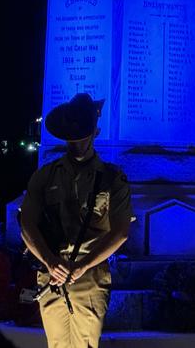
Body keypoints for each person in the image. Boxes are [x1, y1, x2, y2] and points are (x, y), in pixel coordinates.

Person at [20, 93, 133, 348]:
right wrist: (49, 261)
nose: (77, 143)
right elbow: (26, 224)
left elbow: (121, 232)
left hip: (89, 275)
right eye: (72, 135)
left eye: (83, 135)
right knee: (57, 344)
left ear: (95, 132)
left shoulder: (113, 179)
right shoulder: (45, 176)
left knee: (85, 344)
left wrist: (83, 265)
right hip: (52, 275)